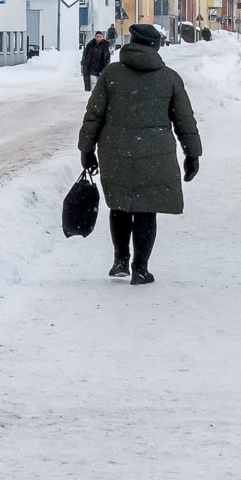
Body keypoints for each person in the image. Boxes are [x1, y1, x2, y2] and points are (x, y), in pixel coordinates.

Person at [79, 22, 200, 285]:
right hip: (155, 154)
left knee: (120, 206)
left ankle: (121, 260)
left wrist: (87, 150)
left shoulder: (111, 74)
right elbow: (185, 121)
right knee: (147, 210)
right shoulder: (169, 78)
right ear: (155, 46)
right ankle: (141, 269)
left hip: (115, 149)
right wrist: (192, 154)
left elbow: (93, 117)